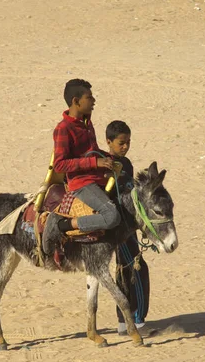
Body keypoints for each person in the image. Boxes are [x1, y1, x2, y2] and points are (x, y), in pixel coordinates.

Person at [45, 79, 121, 265]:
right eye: (89, 97)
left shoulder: (87, 123)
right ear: (75, 101)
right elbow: (60, 165)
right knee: (112, 216)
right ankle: (62, 225)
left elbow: (91, 150)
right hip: (81, 184)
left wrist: (110, 158)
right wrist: (95, 161)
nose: (94, 100)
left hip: (98, 178)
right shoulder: (63, 129)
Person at [105, 120, 153, 336]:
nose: (125, 147)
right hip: (118, 228)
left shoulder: (128, 164)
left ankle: (123, 323)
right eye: (121, 143)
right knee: (136, 269)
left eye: (128, 142)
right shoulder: (106, 165)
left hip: (129, 226)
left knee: (123, 270)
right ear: (109, 142)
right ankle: (138, 322)